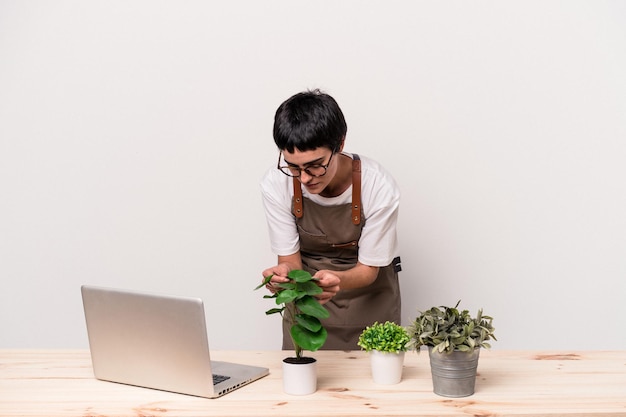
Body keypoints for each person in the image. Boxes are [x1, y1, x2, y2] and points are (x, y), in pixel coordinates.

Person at [260, 89, 402, 351]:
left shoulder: (378, 185)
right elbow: (290, 262)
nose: (304, 178)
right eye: (293, 167)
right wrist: (282, 276)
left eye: (315, 165)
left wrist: (336, 281)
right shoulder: (276, 183)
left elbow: (369, 270)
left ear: (340, 144)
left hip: (370, 302)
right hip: (308, 307)